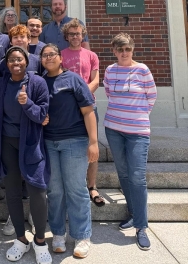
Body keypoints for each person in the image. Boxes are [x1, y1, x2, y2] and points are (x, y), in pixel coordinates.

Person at [0, 46, 52, 264]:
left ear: (27, 62)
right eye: (12, 60)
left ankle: (40, 241)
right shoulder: (0, 85)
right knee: (12, 192)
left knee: (38, 191)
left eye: (20, 59)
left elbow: (42, 114)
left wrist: (28, 103)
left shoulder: (38, 83)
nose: (16, 63)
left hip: (31, 144)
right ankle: (21, 239)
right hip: (6, 143)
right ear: (7, 64)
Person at [41, 44, 98, 259]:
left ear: (60, 57)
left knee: (76, 189)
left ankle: (82, 236)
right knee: (54, 190)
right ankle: (57, 234)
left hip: (74, 141)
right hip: (49, 143)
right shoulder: (40, 81)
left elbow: (88, 111)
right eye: (45, 55)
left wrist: (93, 142)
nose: (48, 58)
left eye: (52, 54)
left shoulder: (73, 79)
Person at [104, 33, 156, 251]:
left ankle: (141, 227)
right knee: (123, 173)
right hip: (113, 129)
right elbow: (108, 93)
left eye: (127, 49)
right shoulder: (109, 70)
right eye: (120, 49)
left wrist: (136, 117)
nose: (124, 53)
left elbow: (151, 97)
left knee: (137, 177)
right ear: (114, 51)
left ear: (132, 50)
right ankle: (133, 214)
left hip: (137, 131)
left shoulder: (142, 70)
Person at [61, 19, 104, 207]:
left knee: (91, 145)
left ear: (82, 35)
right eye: (71, 34)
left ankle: (92, 185)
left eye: (78, 33)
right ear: (66, 36)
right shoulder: (61, 55)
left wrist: (82, 95)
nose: (75, 37)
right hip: (68, 109)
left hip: (89, 106)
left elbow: (95, 81)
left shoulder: (91, 55)